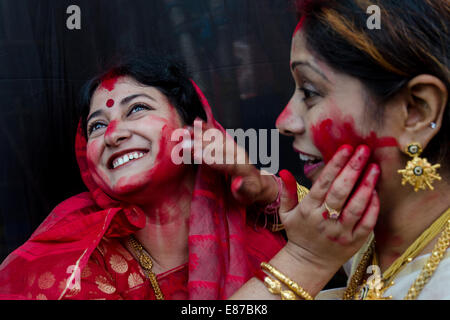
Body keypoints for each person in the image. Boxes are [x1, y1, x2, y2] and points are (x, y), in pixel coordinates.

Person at [0, 54, 290, 300]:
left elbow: (328, 231)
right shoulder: (75, 259)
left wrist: (263, 187)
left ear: (195, 126)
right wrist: (305, 262)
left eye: (137, 108)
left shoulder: (258, 210)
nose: (113, 135)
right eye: (97, 126)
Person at [235, 0, 449, 300]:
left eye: (309, 92)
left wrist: (305, 260)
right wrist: (270, 192)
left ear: (415, 111)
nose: (284, 122)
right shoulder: (374, 238)